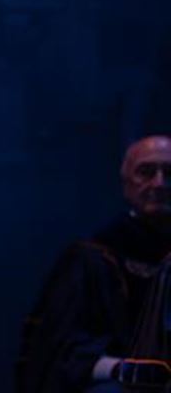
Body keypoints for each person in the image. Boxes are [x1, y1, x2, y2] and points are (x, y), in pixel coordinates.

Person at [19, 135, 171, 392]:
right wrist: (122, 369)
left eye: (169, 173)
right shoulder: (92, 258)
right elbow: (59, 348)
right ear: (126, 184)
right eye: (146, 172)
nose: (160, 183)